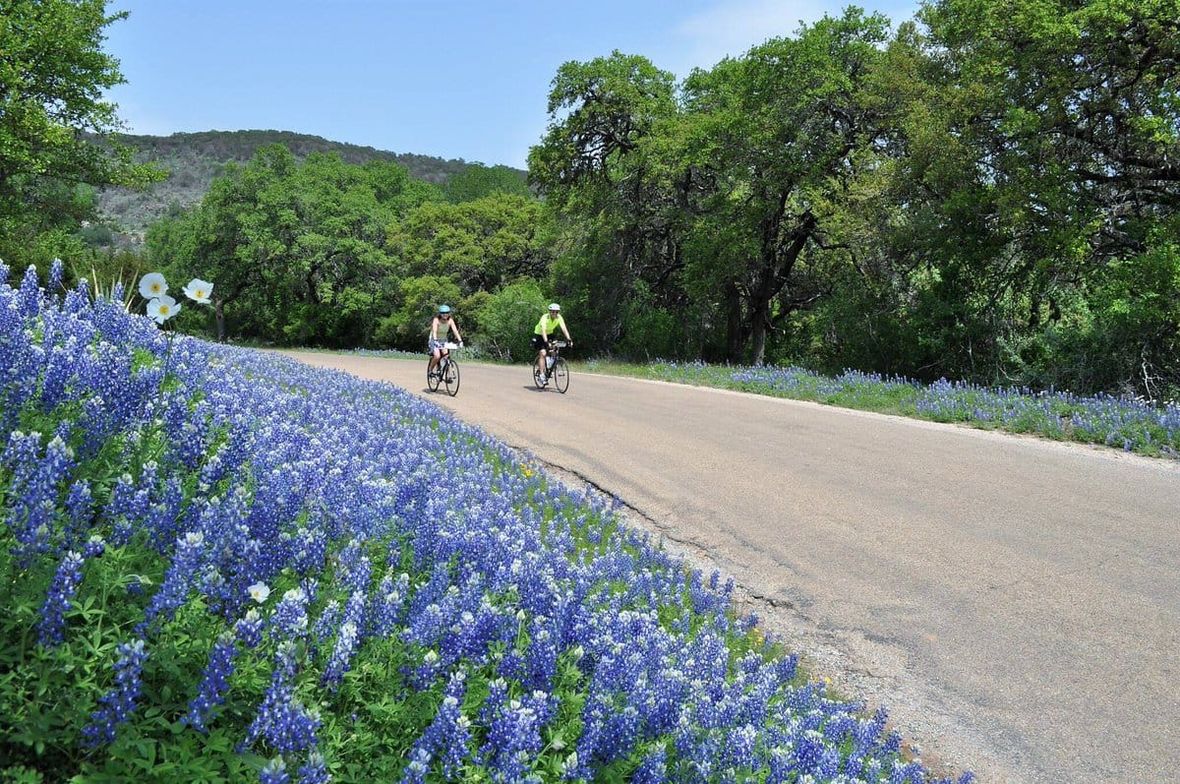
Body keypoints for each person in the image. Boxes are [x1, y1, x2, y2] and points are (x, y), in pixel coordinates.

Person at [532, 303, 572, 385]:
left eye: (556, 312)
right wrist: (546, 342)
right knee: (543, 353)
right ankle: (542, 374)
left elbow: (564, 328)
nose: (554, 313)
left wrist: (569, 339)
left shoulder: (559, 317)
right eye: (553, 312)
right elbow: (543, 330)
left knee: (556, 346)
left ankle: (551, 365)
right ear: (549, 312)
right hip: (539, 334)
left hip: (550, 334)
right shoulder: (545, 317)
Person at [428, 304, 463, 378]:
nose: (445, 314)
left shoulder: (450, 320)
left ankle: (447, 375)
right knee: (437, 356)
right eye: (443, 313)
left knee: (446, 356)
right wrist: (435, 340)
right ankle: (430, 370)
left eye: (447, 313)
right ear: (440, 314)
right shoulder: (436, 320)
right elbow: (434, 331)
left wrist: (460, 341)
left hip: (444, 340)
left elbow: (455, 331)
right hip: (434, 340)